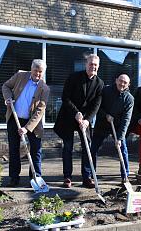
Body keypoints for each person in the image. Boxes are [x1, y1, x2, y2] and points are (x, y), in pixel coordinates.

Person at [54, 54, 104, 189]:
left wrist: (87, 120)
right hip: (69, 116)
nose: (92, 66)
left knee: (87, 147)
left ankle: (86, 177)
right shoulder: (74, 77)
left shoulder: (100, 83)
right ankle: (67, 177)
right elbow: (65, 97)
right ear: (85, 64)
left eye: (95, 65)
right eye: (90, 64)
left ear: (98, 67)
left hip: (85, 120)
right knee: (68, 147)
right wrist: (76, 112)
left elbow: (96, 104)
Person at [2, 59, 50, 187]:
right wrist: (8, 98)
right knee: (14, 149)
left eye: (40, 72)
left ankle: (35, 177)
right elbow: (6, 86)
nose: (38, 74)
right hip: (15, 118)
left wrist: (27, 128)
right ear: (31, 69)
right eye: (35, 70)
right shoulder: (20, 76)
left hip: (32, 124)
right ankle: (14, 178)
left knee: (36, 149)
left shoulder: (44, 89)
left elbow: (40, 111)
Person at [90, 74, 134, 183]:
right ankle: (91, 174)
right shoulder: (106, 90)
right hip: (102, 124)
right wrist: (106, 115)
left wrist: (119, 138)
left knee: (122, 150)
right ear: (116, 80)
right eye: (120, 81)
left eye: (125, 82)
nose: (122, 84)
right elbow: (96, 106)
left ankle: (125, 175)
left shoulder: (129, 99)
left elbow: (126, 119)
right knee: (93, 149)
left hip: (118, 126)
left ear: (128, 85)